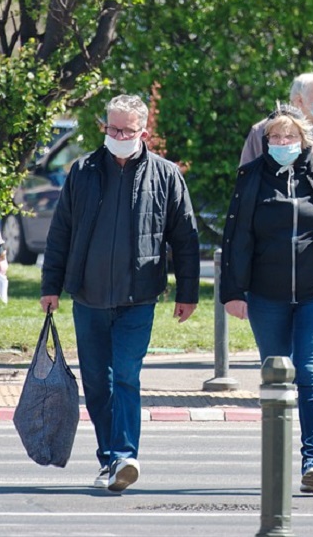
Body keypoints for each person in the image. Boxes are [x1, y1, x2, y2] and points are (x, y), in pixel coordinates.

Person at [40, 94, 200, 493]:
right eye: (112, 128)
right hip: (88, 297)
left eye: (127, 130)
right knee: (96, 383)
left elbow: (186, 239)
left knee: (126, 376)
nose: (118, 135)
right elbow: (61, 232)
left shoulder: (165, 175)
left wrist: (189, 292)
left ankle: (125, 455)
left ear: (143, 132)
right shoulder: (83, 170)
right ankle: (109, 457)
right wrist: (50, 286)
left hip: (138, 298)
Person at [221, 103, 313, 494]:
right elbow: (233, 238)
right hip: (265, 297)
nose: (282, 143)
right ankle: (277, 459)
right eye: (275, 138)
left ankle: (311, 460)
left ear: (304, 140)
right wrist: (231, 292)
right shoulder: (251, 177)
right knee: (275, 377)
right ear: (265, 141)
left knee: (310, 374)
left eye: (290, 137)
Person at [240, 72, 313, 404]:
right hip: (271, 263)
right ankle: (283, 388)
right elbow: (247, 182)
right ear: (297, 101)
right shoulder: (261, 134)